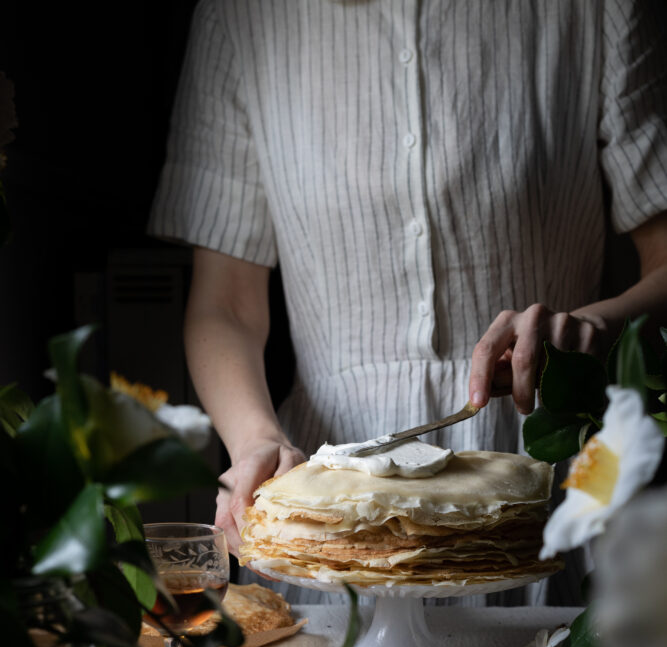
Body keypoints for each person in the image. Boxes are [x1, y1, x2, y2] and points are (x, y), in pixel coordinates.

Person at [149, 0, 667, 605]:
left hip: (549, 494)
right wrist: (254, 440)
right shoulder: (239, 18)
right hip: (322, 510)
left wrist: (594, 327)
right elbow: (225, 305)